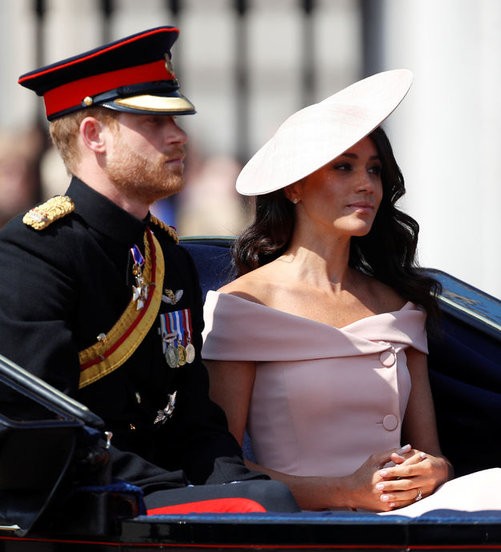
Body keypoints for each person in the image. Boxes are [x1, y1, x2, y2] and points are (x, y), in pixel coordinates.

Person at [0, 26, 299, 517]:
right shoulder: (33, 254)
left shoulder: (165, 255)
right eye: (152, 123)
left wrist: (231, 483)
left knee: (268, 503)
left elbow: (194, 418)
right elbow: (42, 426)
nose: (178, 136)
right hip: (86, 508)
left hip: (150, 496)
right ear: (94, 136)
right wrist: (179, 489)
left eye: (176, 121)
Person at [202, 69, 501, 515]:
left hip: (406, 526)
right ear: (295, 186)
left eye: (374, 170)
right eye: (344, 167)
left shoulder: (399, 303)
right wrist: (347, 491)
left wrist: (432, 472)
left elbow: (433, 454)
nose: (367, 184)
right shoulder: (242, 306)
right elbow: (223, 473)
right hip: (304, 535)